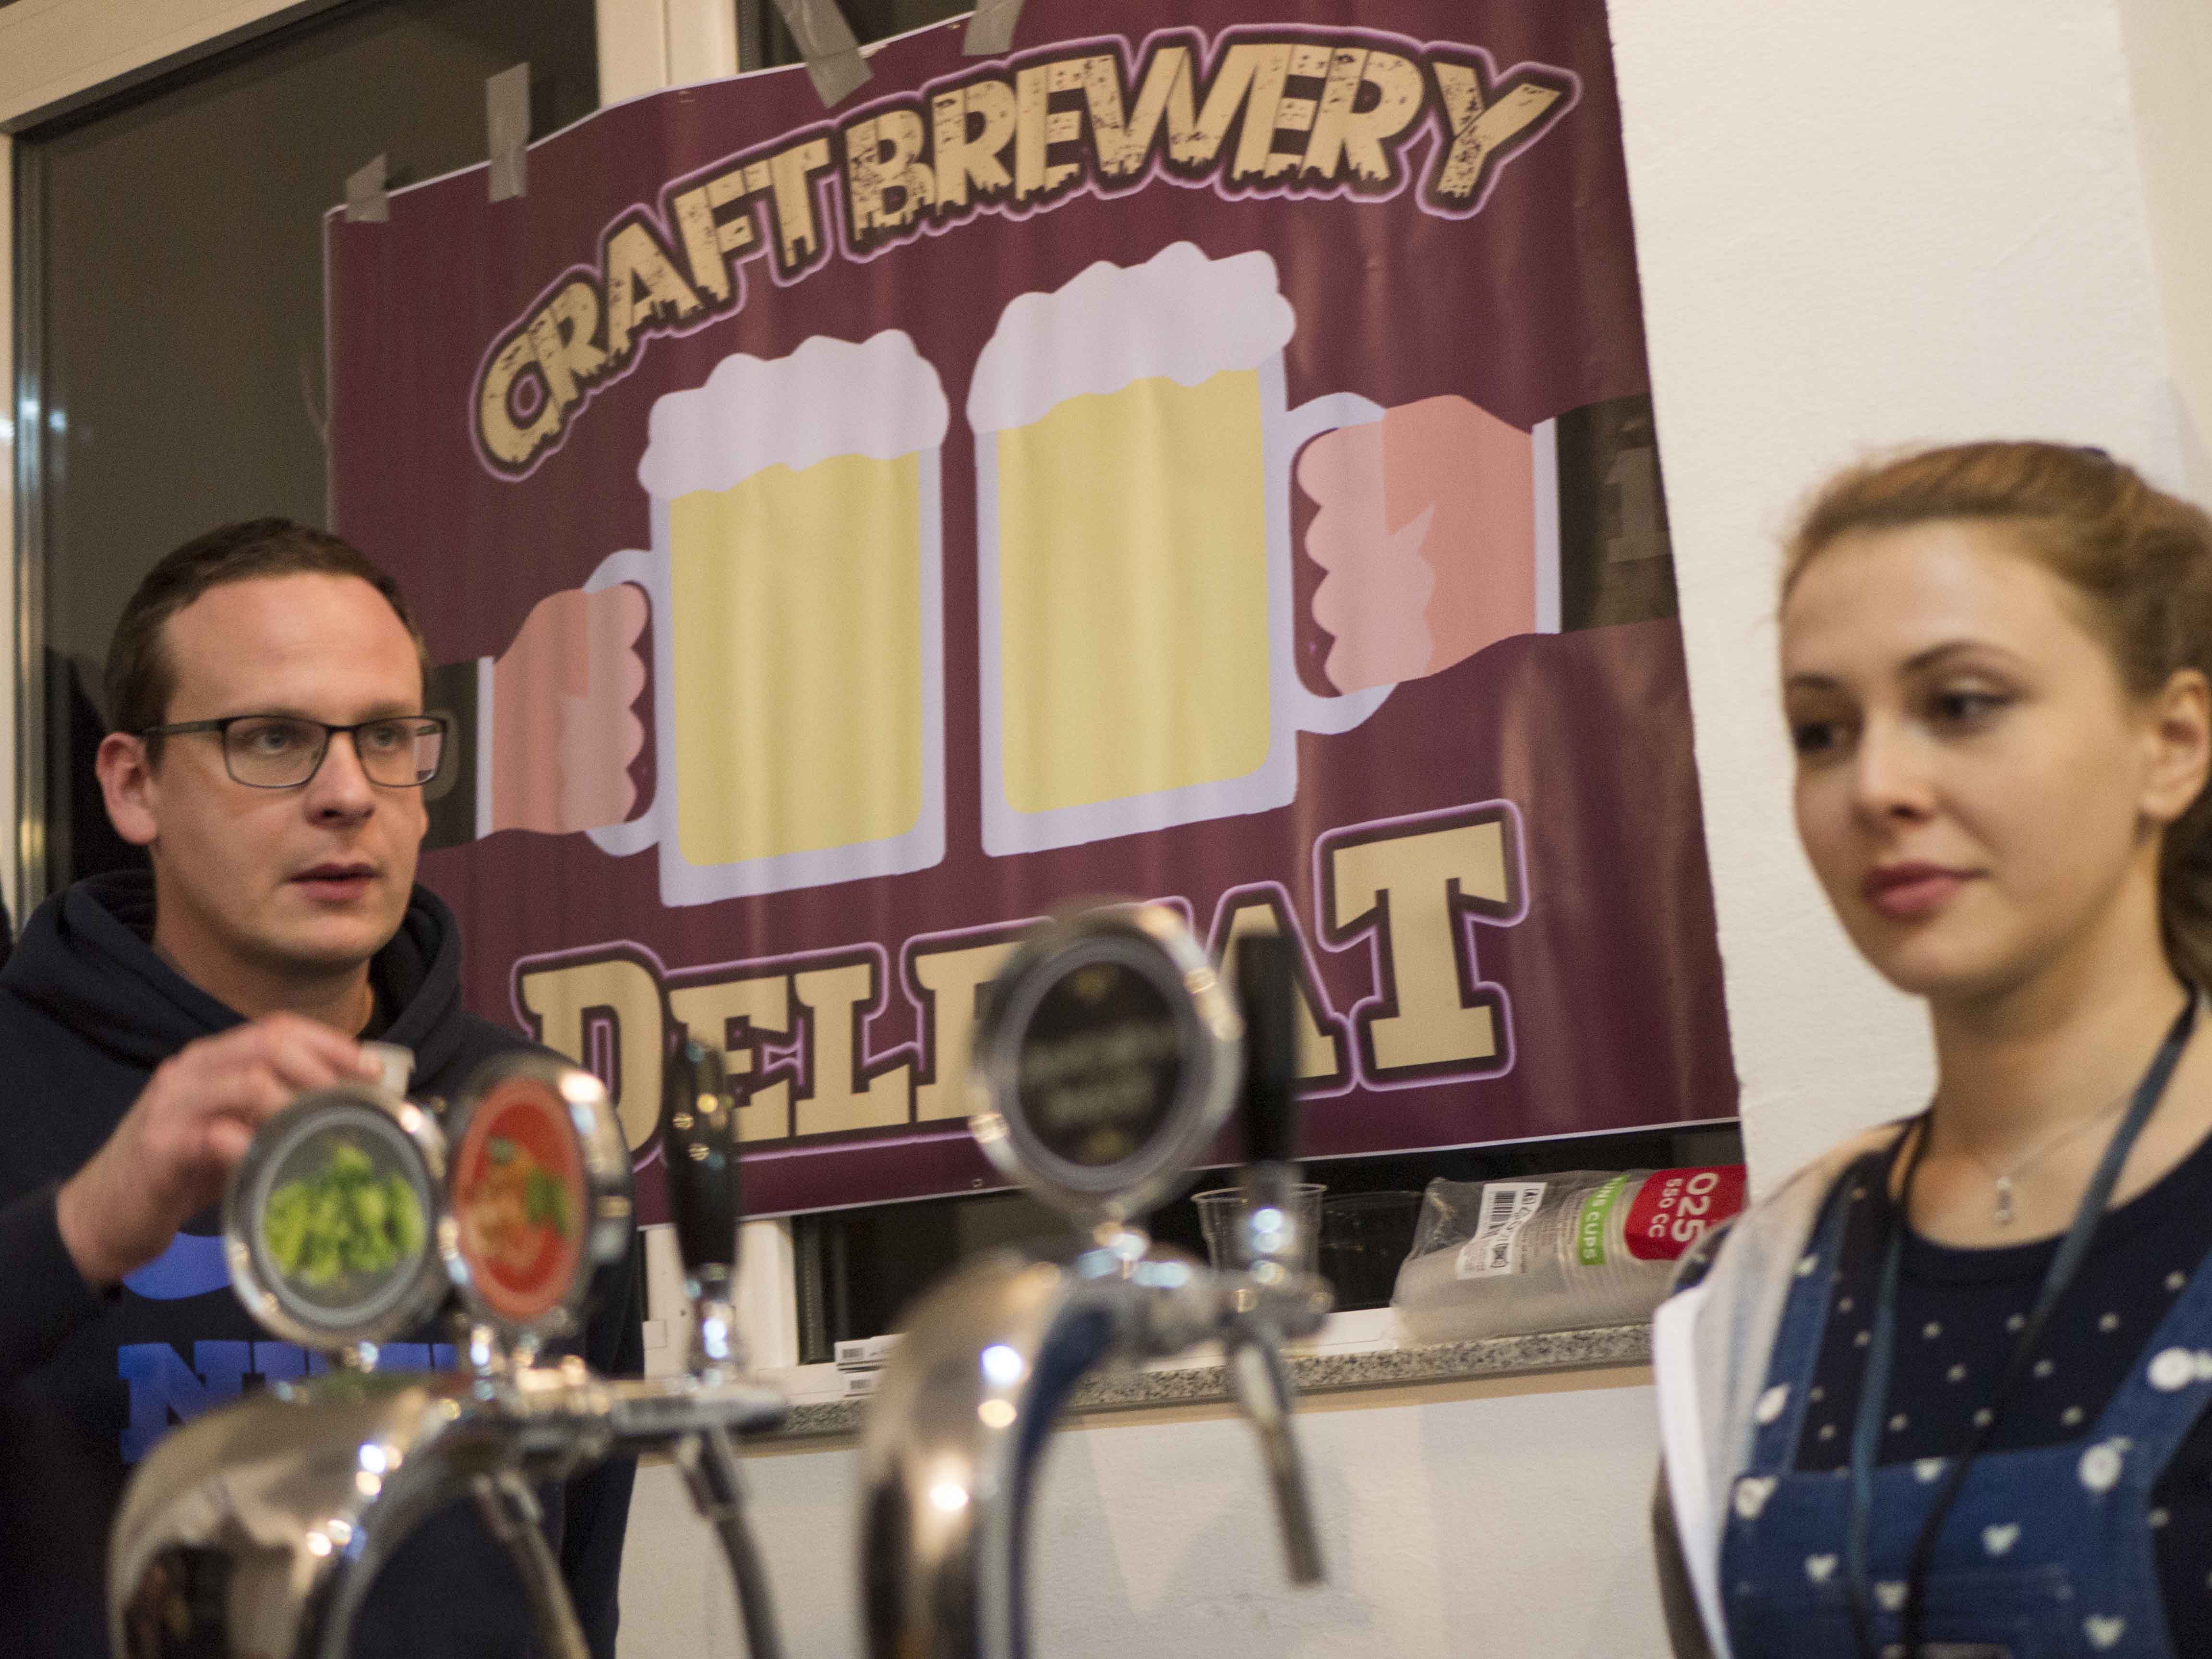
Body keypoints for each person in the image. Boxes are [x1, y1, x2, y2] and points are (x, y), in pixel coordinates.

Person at [0, 519, 642, 1658]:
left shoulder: (523, 1114)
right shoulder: (20, 1076)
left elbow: (573, 1573)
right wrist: (87, 1227)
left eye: (387, 737)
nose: (348, 793)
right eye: (273, 739)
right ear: (135, 785)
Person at [1652, 442, 2212, 1659]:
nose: (1877, 786)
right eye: (1821, 731)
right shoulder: (1755, 1288)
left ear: (2172, 740)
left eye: (1961, 705)